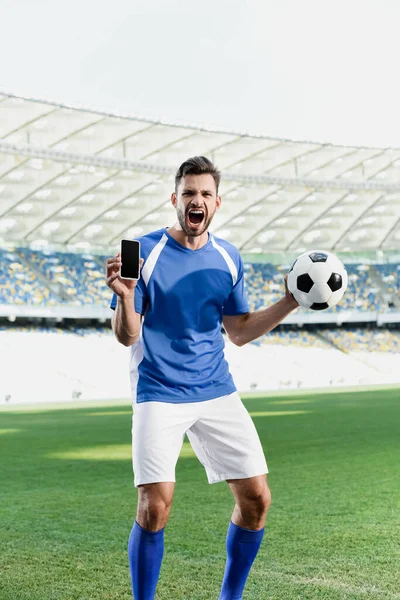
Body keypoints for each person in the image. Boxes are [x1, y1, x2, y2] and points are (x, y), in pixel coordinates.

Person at [106, 156, 298, 600]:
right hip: (158, 390)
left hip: (216, 389)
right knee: (155, 507)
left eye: (205, 194)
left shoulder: (229, 257)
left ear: (217, 203)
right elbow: (126, 335)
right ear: (175, 199)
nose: (197, 200)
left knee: (257, 500)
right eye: (189, 193)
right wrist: (126, 298)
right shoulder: (139, 251)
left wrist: (291, 301)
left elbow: (240, 332)